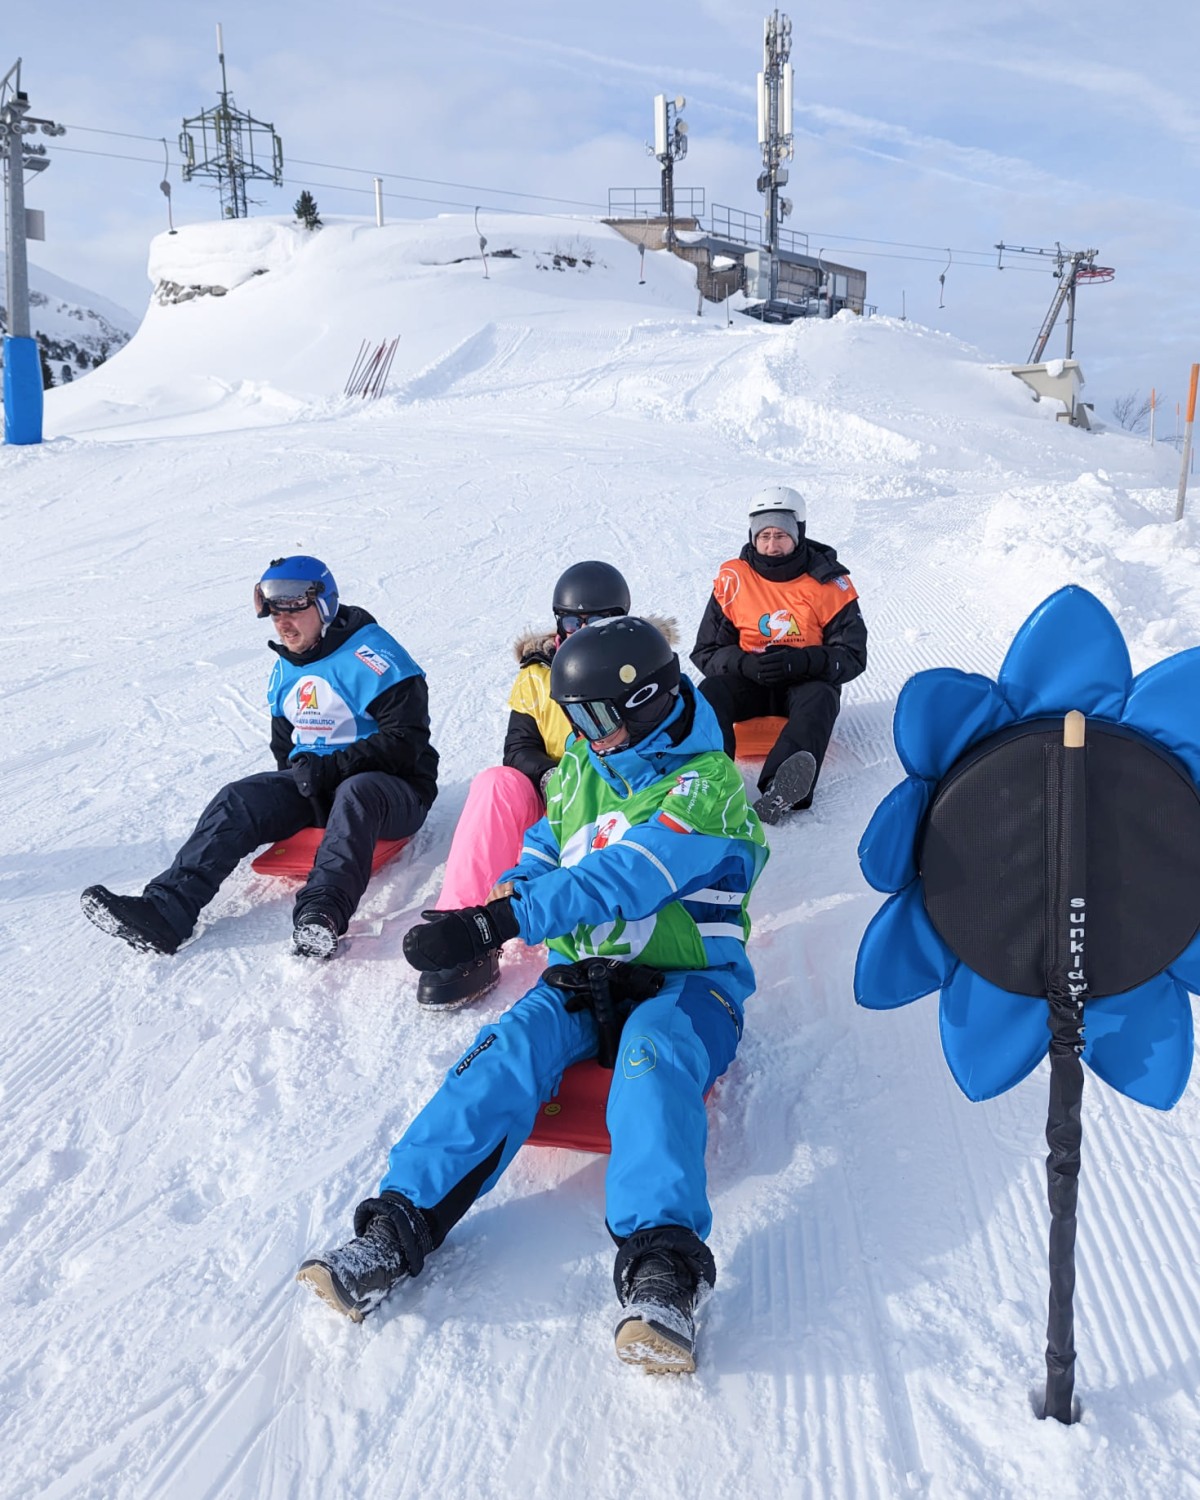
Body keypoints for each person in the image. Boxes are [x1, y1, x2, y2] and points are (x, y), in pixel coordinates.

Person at [296, 617, 768, 1373]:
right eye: (573, 717)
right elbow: (546, 846)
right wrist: (513, 889)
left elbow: (627, 876)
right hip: (584, 975)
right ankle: (395, 1226)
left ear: (647, 700)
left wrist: (497, 921)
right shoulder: (585, 761)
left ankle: (663, 1272)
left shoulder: (706, 785)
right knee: (500, 1053)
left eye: (596, 717)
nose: (583, 734)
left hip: (689, 983)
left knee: (652, 1061)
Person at [81, 556, 437, 960]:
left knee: (357, 792)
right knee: (239, 798)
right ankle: (166, 911)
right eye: (275, 615)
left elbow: (406, 742)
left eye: (294, 612)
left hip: (394, 790)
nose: (284, 624)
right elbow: (285, 748)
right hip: (322, 783)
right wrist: (301, 793)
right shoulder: (286, 668)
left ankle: (321, 914)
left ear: (324, 606)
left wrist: (329, 771)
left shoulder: (374, 658)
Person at [417, 560, 631, 1009]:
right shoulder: (538, 675)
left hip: (614, 805)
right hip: (553, 801)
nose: (580, 632)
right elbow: (518, 749)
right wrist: (552, 777)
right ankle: (464, 924)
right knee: (497, 782)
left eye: (596, 622)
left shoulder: (638, 670)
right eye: (572, 622)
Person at [691, 485, 867, 824]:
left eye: (781, 535)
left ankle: (781, 788)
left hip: (804, 683)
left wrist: (801, 661)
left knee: (821, 696)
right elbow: (706, 651)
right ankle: (710, 780)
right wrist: (745, 664)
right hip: (750, 680)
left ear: (798, 534)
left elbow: (852, 655)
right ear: (753, 537)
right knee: (710, 691)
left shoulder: (830, 583)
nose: (772, 545)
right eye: (764, 536)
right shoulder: (733, 581)